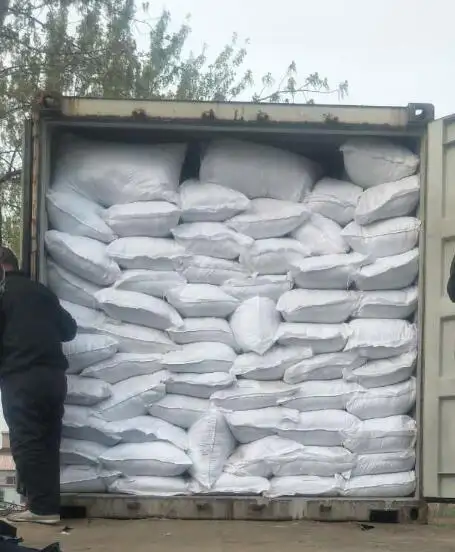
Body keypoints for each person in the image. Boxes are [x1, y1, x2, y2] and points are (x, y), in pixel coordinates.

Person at [0, 246, 76, 525]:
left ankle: (42, 510)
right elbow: (69, 329)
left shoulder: (3, 293)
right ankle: (47, 506)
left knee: (27, 440)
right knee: (47, 439)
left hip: (20, 377)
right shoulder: (42, 292)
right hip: (54, 378)